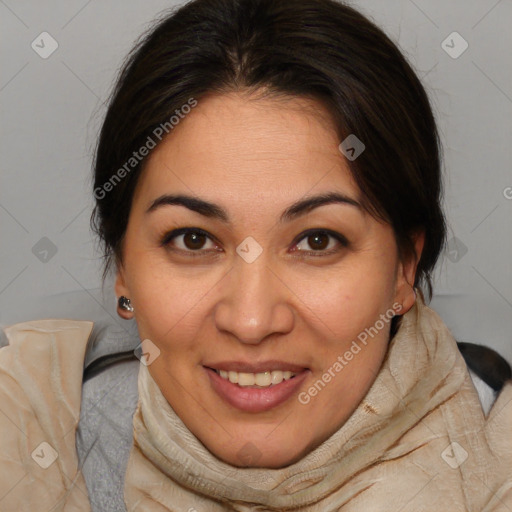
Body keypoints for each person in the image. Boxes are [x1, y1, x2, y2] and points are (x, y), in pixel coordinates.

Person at [0, 0, 510, 510]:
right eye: (193, 240)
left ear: (403, 269)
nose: (250, 321)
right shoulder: (29, 429)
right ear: (123, 268)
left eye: (317, 241)